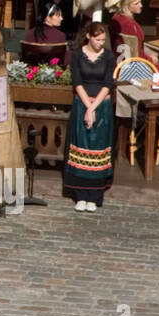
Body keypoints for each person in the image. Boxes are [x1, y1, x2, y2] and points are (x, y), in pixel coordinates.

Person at [63, 21, 115, 212]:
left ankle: (95, 196)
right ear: (88, 36)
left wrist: (93, 107)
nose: (101, 43)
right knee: (82, 146)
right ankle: (80, 196)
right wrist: (87, 106)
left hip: (101, 105)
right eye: (97, 39)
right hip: (82, 103)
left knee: (98, 148)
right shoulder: (77, 55)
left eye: (103, 39)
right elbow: (77, 81)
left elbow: (108, 83)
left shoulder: (109, 56)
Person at [109, 0, 159, 77]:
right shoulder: (129, 26)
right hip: (134, 68)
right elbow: (135, 54)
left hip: (119, 62)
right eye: (136, 3)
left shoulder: (116, 18)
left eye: (140, 2)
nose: (141, 5)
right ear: (127, 6)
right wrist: (150, 59)